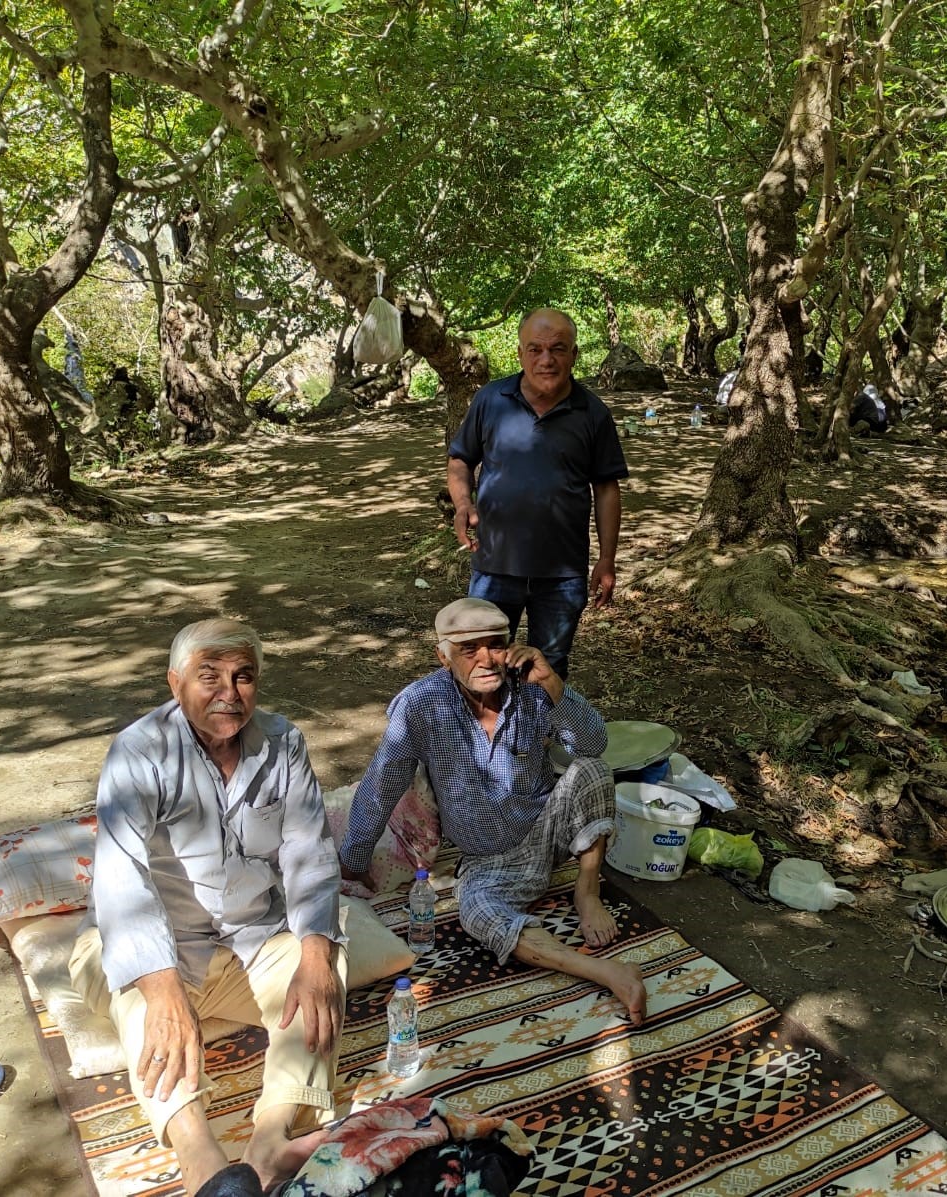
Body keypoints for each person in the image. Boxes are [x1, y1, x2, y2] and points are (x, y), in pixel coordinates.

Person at [69, 618, 346, 1196]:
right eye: (209, 677)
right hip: (169, 950)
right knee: (135, 994)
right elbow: (122, 881)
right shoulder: (139, 752)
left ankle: (270, 1139)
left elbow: (309, 852)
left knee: (324, 966)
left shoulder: (283, 742)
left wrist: (315, 957)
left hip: (251, 937)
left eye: (244, 677)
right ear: (176, 685)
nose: (229, 692)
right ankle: (201, 1160)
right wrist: (163, 989)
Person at [339, 597, 647, 1025]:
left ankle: (586, 891)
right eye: (469, 649)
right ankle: (604, 971)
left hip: (546, 830)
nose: (486, 659)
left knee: (591, 770)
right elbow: (382, 783)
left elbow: (593, 744)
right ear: (442, 656)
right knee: (477, 914)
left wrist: (553, 685)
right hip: (487, 860)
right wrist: (353, 860)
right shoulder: (420, 706)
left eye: (495, 645)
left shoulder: (533, 688)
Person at [447, 308, 628, 680]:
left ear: (574, 355)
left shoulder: (593, 413)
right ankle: (489, 737)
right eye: (535, 349)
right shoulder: (491, 400)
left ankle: (539, 736)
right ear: (520, 354)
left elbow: (607, 488)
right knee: (483, 663)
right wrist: (463, 504)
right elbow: (460, 459)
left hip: (562, 574)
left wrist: (606, 560)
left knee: (548, 667)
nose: (547, 360)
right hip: (495, 566)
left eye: (559, 349)